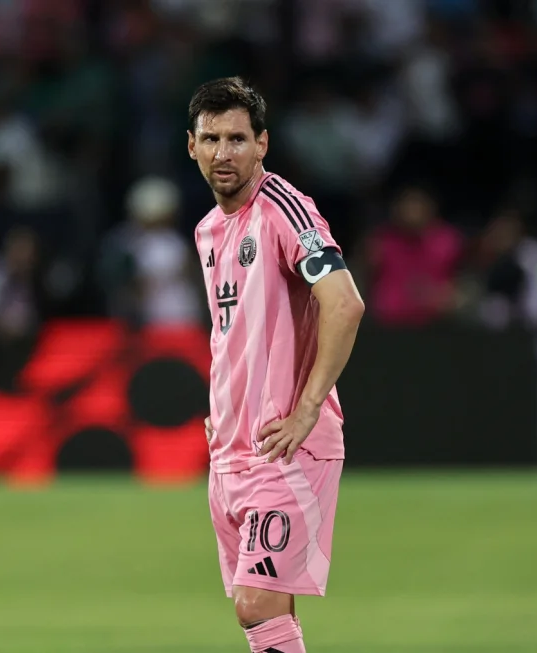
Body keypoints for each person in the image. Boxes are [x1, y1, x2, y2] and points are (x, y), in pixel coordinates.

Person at [187, 77, 365, 653]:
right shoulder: (209, 230)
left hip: (287, 443)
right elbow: (232, 332)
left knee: (257, 602)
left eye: (237, 138)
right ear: (190, 145)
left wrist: (308, 408)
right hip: (231, 446)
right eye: (211, 139)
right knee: (257, 617)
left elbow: (344, 303)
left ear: (262, 144)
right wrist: (221, 409)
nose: (223, 153)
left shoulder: (284, 210)